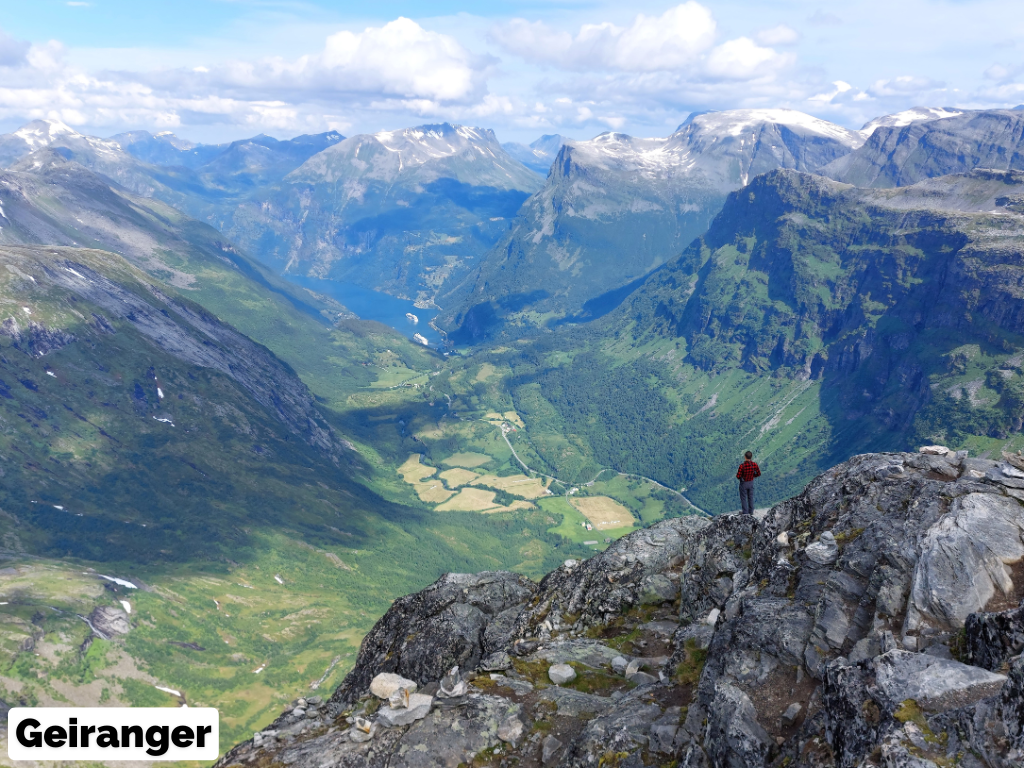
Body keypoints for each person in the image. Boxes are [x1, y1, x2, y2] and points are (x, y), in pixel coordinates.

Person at [736, 451, 760, 515]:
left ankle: (745, 513)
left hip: (744, 483)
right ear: (751, 457)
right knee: (750, 497)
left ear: (745, 457)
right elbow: (758, 473)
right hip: (751, 482)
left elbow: (738, 476)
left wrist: (742, 477)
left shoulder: (742, 466)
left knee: (743, 498)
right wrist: (753, 476)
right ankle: (751, 511)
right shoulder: (754, 465)